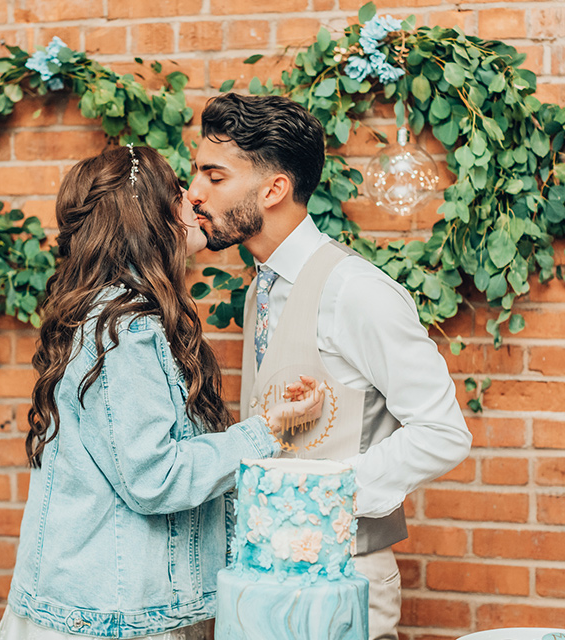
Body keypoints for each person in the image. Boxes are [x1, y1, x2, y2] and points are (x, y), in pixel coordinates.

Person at [0, 144, 322, 640]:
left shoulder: (110, 313)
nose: (192, 198)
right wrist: (267, 432)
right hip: (113, 616)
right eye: (176, 192)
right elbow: (154, 476)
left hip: (101, 603)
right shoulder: (127, 329)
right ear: (144, 218)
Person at [187, 92, 473, 640]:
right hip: (260, 580)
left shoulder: (356, 291)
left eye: (214, 176)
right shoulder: (260, 290)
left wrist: (325, 497)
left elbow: (443, 433)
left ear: (274, 189)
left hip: (347, 578)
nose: (194, 192)